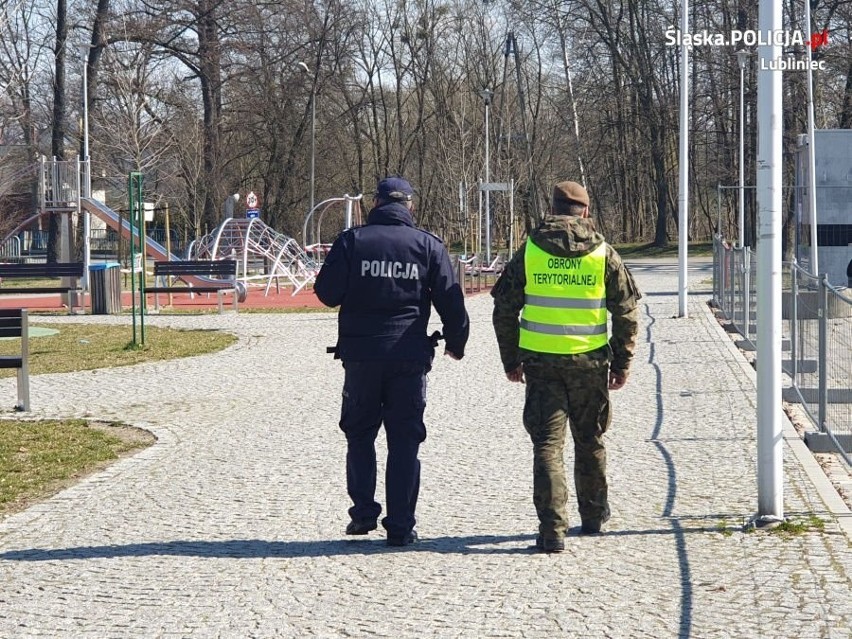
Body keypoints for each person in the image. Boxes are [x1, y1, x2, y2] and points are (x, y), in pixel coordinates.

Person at [314, 176, 469, 547]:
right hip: (409, 356)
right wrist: (456, 343)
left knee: (359, 434)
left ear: (376, 203)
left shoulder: (352, 241)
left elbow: (327, 294)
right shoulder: (428, 246)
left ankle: (363, 514)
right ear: (410, 206)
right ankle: (400, 526)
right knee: (404, 441)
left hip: (362, 356)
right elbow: (453, 303)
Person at [491, 180, 640, 553]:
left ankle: (552, 530)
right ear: (585, 212)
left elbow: (504, 310)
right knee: (589, 440)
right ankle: (593, 517)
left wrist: (511, 359)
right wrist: (622, 363)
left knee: (547, 446)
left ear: (553, 209)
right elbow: (626, 312)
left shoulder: (529, 252)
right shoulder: (604, 253)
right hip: (590, 364)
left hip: (541, 365)